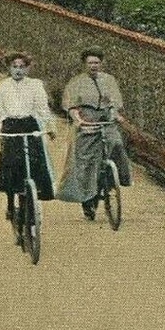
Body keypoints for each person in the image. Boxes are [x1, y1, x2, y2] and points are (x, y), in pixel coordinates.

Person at [58, 48, 131, 220]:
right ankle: (88, 199)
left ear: (101, 64)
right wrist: (78, 119)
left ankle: (114, 182)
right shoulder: (76, 82)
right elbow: (71, 106)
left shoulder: (109, 80)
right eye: (90, 63)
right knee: (87, 161)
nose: (94, 66)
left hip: (106, 120)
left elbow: (114, 103)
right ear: (85, 64)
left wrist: (117, 116)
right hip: (87, 122)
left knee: (117, 144)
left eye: (96, 62)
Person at [0, 52, 57, 231]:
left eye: (22, 67)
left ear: (27, 68)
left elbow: (42, 108)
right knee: (11, 163)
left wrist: (51, 127)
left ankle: (30, 198)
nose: (18, 70)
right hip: (10, 125)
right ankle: (10, 202)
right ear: (9, 68)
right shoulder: (4, 87)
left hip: (29, 125)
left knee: (34, 161)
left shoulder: (36, 85)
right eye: (15, 67)